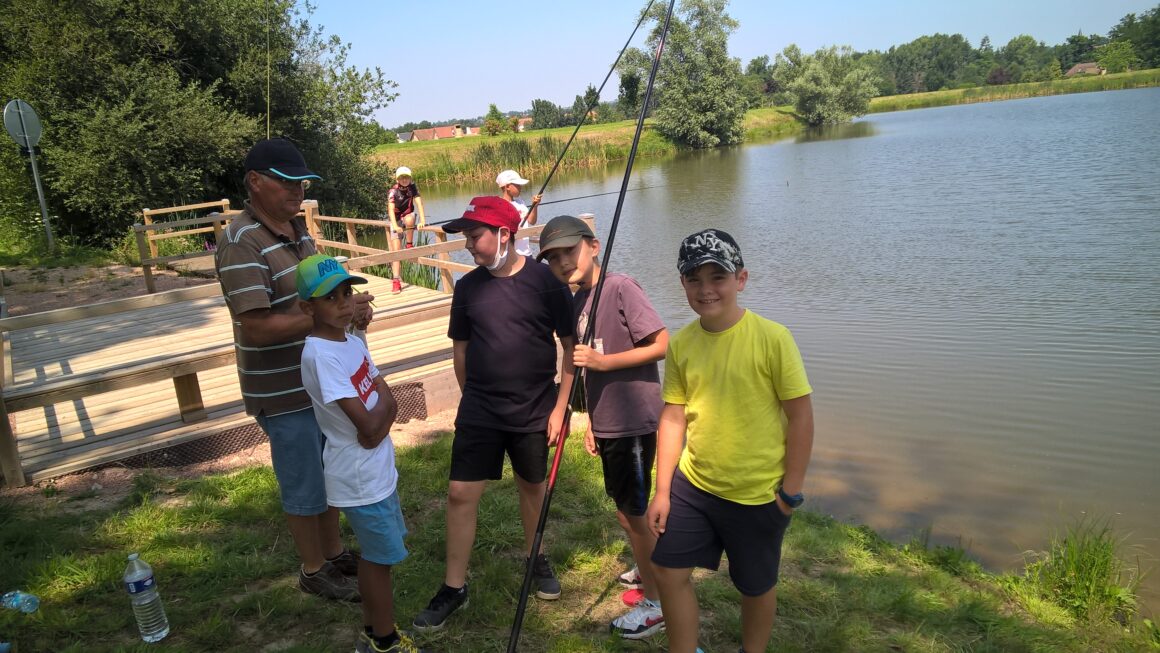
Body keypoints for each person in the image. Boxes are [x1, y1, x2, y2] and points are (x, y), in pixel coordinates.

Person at [215, 138, 374, 602]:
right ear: (255, 182)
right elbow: (255, 327)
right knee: (304, 479)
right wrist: (327, 316)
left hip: (319, 383)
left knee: (327, 471)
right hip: (283, 391)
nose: (297, 191)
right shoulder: (241, 241)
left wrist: (346, 305)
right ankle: (312, 570)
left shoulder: (297, 232)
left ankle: (333, 552)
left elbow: (321, 296)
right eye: (287, 182)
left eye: (301, 182)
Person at [412, 196, 576, 631]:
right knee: (460, 494)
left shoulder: (546, 280)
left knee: (532, 487)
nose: (469, 244)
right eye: (466, 236)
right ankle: (454, 586)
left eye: (475, 235)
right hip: (480, 409)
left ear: (505, 234)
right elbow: (460, 350)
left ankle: (535, 558)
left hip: (535, 408)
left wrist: (561, 407)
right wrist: (472, 400)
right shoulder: (467, 288)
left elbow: (569, 347)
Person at [646, 229, 814, 653]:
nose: (706, 290)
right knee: (667, 570)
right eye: (693, 279)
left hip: (757, 493)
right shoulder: (682, 343)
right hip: (694, 485)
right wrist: (662, 490)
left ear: (741, 279)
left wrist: (789, 493)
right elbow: (673, 416)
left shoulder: (773, 339)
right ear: (682, 283)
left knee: (755, 586)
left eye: (717, 277)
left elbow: (801, 418)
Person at [536, 215, 669, 640]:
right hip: (609, 421)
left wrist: (605, 363)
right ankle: (646, 566)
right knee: (624, 506)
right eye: (553, 257)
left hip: (634, 419)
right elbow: (582, 369)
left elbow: (661, 344)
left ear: (593, 246)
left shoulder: (620, 287)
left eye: (569, 251)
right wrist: (591, 418)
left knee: (635, 510)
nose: (562, 262)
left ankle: (658, 602)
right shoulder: (577, 300)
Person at [295, 253, 424, 653]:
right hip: (357, 474)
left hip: (376, 466)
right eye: (330, 298)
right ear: (307, 308)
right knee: (378, 560)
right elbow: (367, 426)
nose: (344, 303)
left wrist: (383, 413)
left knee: (379, 556)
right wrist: (383, 413)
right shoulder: (321, 354)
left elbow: (386, 397)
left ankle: (372, 632)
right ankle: (384, 640)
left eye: (347, 292)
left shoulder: (350, 341)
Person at [387, 166, 427, 294]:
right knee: (396, 252)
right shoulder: (393, 191)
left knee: (410, 218)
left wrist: (422, 221)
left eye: (407, 177)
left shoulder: (413, 187)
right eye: (402, 178)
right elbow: (390, 211)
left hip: (408, 215)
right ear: (397, 179)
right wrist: (395, 226)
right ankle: (396, 281)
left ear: (410, 178)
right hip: (396, 219)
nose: (404, 180)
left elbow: (419, 203)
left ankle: (409, 244)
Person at [496, 169, 542, 257]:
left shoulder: (520, 202)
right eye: (517, 185)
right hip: (513, 255)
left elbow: (532, 221)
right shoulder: (500, 205)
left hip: (527, 253)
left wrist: (535, 206)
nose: (520, 187)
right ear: (508, 187)